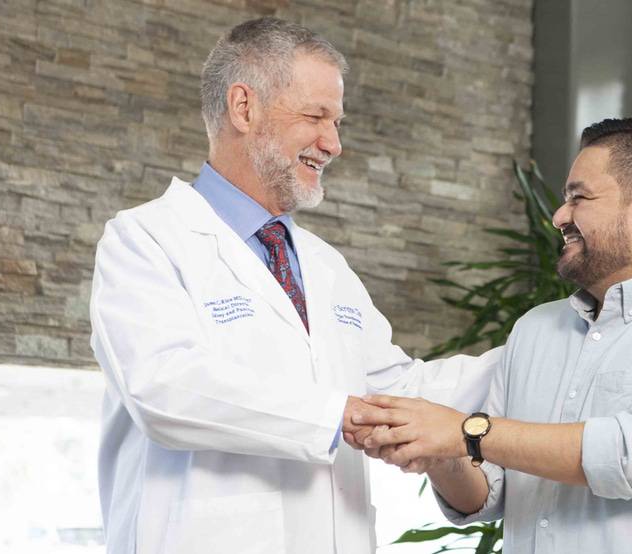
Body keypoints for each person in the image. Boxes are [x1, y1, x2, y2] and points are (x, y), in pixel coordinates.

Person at [90, 17, 499, 554]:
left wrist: (535, 352)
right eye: (316, 116)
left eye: (337, 122)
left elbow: (395, 389)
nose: (333, 143)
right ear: (244, 108)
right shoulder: (145, 240)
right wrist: (337, 415)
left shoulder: (325, 266)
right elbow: (161, 386)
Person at [355, 118, 632, 554]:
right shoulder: (535, 329)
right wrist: (445, 459)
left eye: (579, 198)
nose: (559, 216)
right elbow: (492, 491)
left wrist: (465, 432)